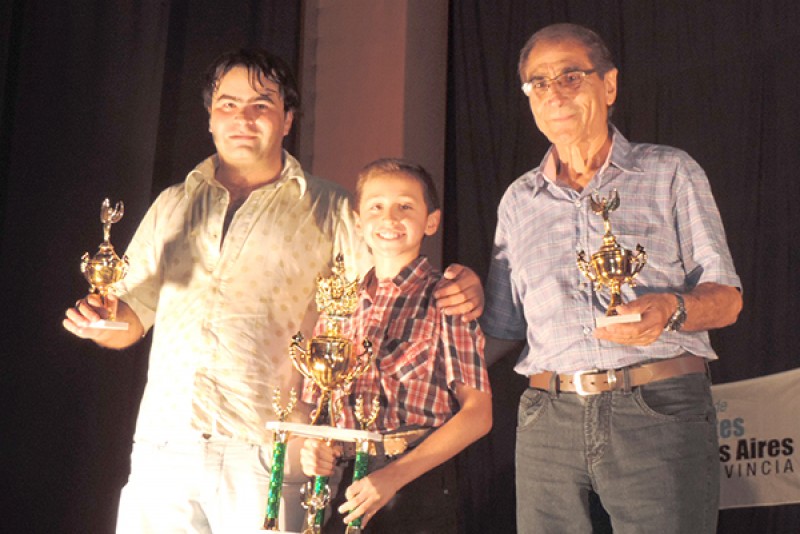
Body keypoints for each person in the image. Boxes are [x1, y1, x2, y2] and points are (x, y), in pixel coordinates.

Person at [62, 49, 484, 533]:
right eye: (228, 104)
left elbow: (394, 283)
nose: (243, 118)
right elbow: (130, 321)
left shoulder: (329, 207)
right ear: (210, 118)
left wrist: (463, 283)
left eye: (261, 105)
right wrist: (99, 320)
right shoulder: (172, 204)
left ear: (287, 119)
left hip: (270, 449)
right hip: (164, 444)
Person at [481, 23, 743, 534]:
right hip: (548, 418)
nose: (554, 93)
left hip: (656, 408)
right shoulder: (518, 201)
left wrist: (670, 310)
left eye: (570, 76)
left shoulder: (669, 171)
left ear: (609, 85)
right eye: (538, 83)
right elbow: (503, 329)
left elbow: (727, 299)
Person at [299, 158, 493, 533]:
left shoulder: (447, 298)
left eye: (405, 206)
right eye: (376, 207)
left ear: (430, 221)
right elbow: (321, 412)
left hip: (417, 485)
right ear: (358, 222)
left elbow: (478, 414)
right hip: (348, 487)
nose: (389, 218)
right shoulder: (338, 309)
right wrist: (318, 450)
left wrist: (393, 477)